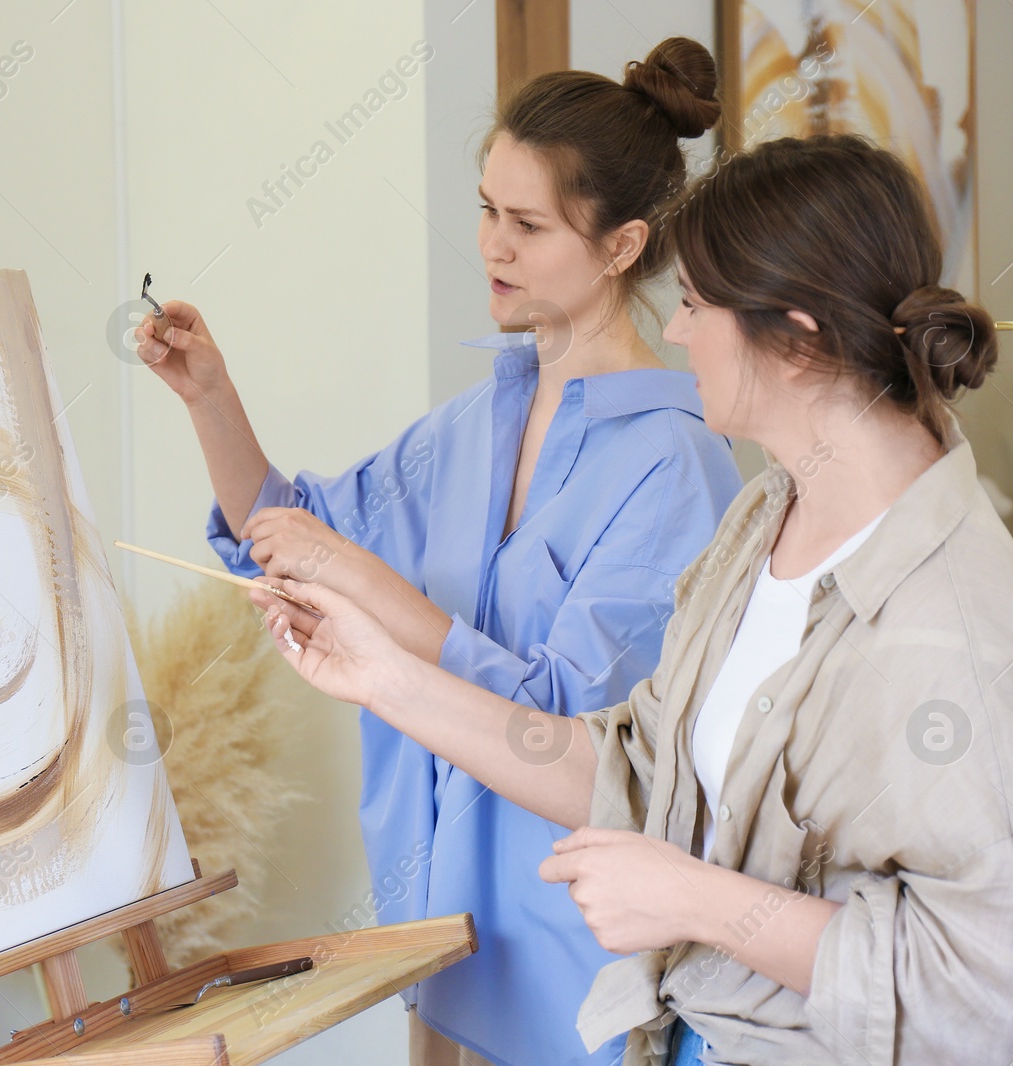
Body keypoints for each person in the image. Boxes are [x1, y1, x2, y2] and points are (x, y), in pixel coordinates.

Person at [253, 133, 1013, 1065]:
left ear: (796, 336)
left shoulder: (948, 625)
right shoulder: (761, 522)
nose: (677, 330)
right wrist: (383, 679)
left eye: (694, 303)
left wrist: (697, 901)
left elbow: (993, 987)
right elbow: (632, 775)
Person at [136, 39, 743, 1066]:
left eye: (527, 225)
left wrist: (363, 583)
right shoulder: (475, 421)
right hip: (438, 950)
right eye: (485, 210)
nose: (490, 247)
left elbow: (568, 732)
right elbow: (287, 539)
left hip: (581, 974)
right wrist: (209, 397)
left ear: (622, 244)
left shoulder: (677, 468)